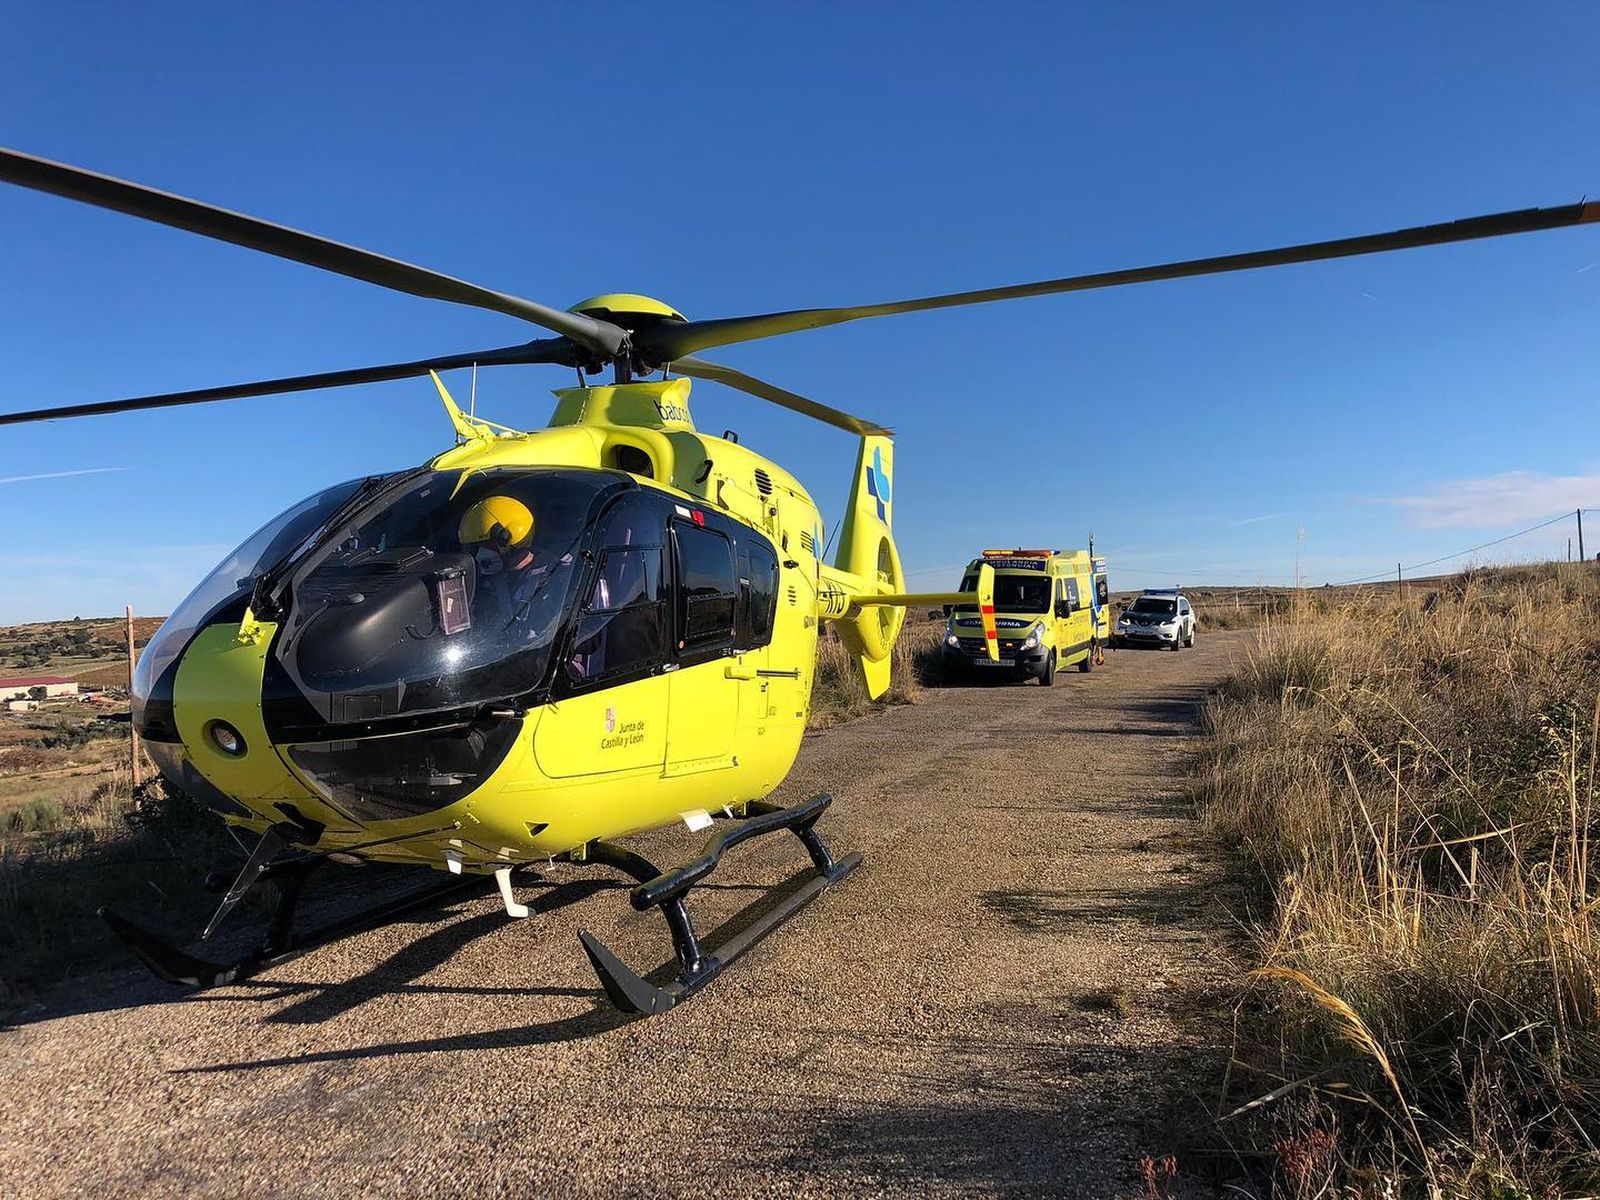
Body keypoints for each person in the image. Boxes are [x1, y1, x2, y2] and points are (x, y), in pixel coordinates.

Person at [457, 494, 573, 643]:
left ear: (508, 539)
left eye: (485, 545)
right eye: (475, 548)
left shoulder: (560, 577)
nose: (480, 554)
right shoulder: (482, 584)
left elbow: (589, 639)